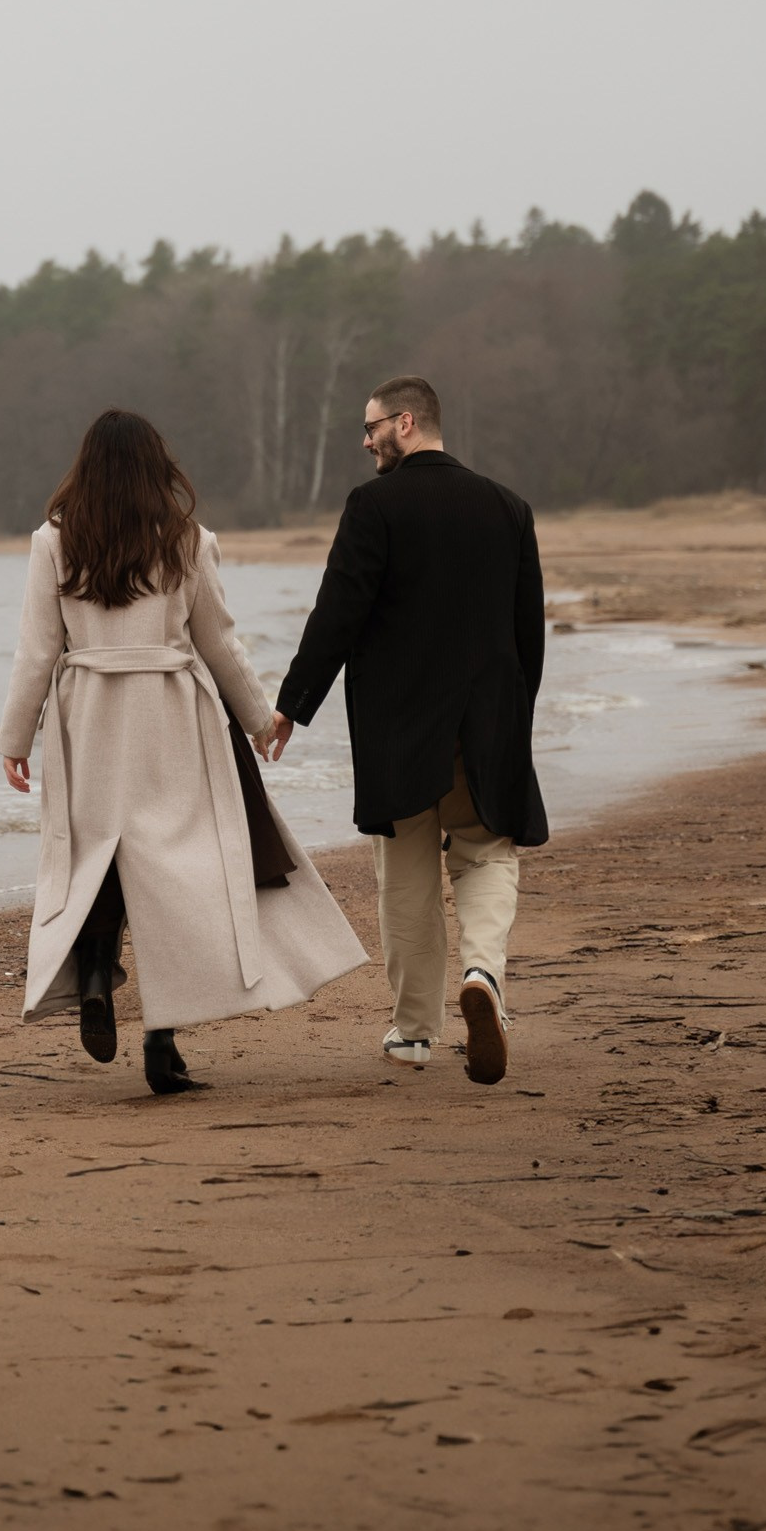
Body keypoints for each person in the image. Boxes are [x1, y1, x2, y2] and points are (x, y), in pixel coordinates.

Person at [0, 407, 366, 1094]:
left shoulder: (51, 541)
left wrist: (15, 737)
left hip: (91, 719)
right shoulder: (188, 539)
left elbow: (38, 650)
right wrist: (261, 718)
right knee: (176, 872)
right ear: (153, 467)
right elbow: (219, 641)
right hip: (173, 715)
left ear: (85, 466)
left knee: (100, 855)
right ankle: (162, 1044)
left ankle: (99, 971)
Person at [264, 374, 546, 1084]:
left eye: (372, 428)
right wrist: (515, 720)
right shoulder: (509, 509)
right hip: (488, 720)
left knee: (406, 875)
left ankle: (415, 1033)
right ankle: (483, 975)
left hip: (400, 726)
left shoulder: (374, 506)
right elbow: (527, 633)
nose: (366, 442)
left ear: (408, 422)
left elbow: (339, 613)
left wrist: (293, 703)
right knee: (486, 852)